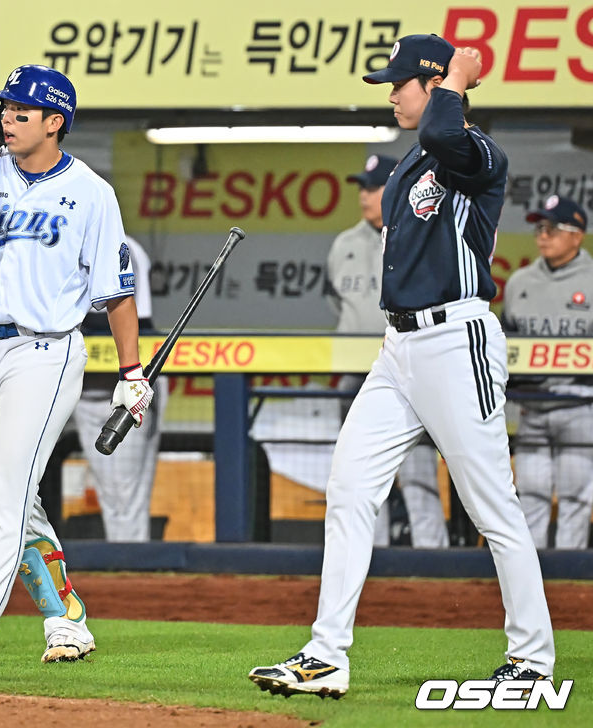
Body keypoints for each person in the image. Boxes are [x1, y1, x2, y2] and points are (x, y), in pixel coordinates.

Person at [249, 34, 555, 698]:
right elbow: (432, 136)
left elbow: (448, 132)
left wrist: (458, 78)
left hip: (456, 339)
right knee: (349, 487)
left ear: (436, 85)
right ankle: (326, 654)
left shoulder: (475, 152)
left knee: (492, 506)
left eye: (400, 83)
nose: (390, 94)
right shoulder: (412, 162)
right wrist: (449, 85)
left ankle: (532, 658)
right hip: (399, 349)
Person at [0, 64, 152, 666]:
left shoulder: (92, 192)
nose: (7, 120)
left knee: (4, 502)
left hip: (46, 353)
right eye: (5, 110)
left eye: (21, 112)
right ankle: (66, 619)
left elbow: (117, 292)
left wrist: (131, 374)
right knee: (13, 498)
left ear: (54, 122)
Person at [327, 155, 448, 548]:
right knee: (358, 477)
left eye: (374, 187)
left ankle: (433, 560)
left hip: (407, 371)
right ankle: (371, 560)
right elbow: (336, 301)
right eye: (362, 187)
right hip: (354, 375)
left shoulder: (419, 234)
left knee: (418, 476)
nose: (365, 195)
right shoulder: (343, 243)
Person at [502, 195, 593, 549]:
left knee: (575, 499)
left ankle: (568, 577)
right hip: (532, 407)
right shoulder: (520, 281)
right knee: (530, 497)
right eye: (540, 228)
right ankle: (532, 575)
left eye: (552, 228)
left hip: (579, 403)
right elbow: (508, 344)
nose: (543, 235)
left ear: (576, 235)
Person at [73, 235, 166, 541]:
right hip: (91, 387)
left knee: (124, 491)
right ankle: (128, 558)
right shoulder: (63, 238)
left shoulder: (117, 244)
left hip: (125, 382)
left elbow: (120, 318)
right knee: (116, 493)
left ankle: (128, 559)